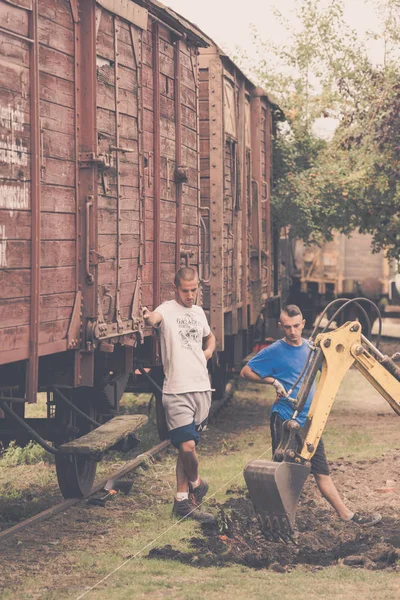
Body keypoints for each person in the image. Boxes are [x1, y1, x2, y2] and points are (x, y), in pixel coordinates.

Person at [240, 304, 382, 527]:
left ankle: (348, 516)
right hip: (285, 418)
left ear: (304, 324)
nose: (292, 331)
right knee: (284, 473)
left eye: (296, 326)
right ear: (280, 326)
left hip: (310, 422)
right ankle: (281, 522)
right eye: (287, 327)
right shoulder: (275, 350)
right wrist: (273, 381)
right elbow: (246, 371)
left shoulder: (312, 349)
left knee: (321, 471)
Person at [143, 267, 216, 523]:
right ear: (176, 288)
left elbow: (210, 337)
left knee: (187, 448)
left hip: (201, 388)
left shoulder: (198, 313)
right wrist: (147, 317)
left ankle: (182, 501)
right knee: (187, 445)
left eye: (194, 290)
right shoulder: (167, 309)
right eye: (185, 290)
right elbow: (154, 319)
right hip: (176, 390)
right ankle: (197, 482)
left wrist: (207, 353)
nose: (190, 295)